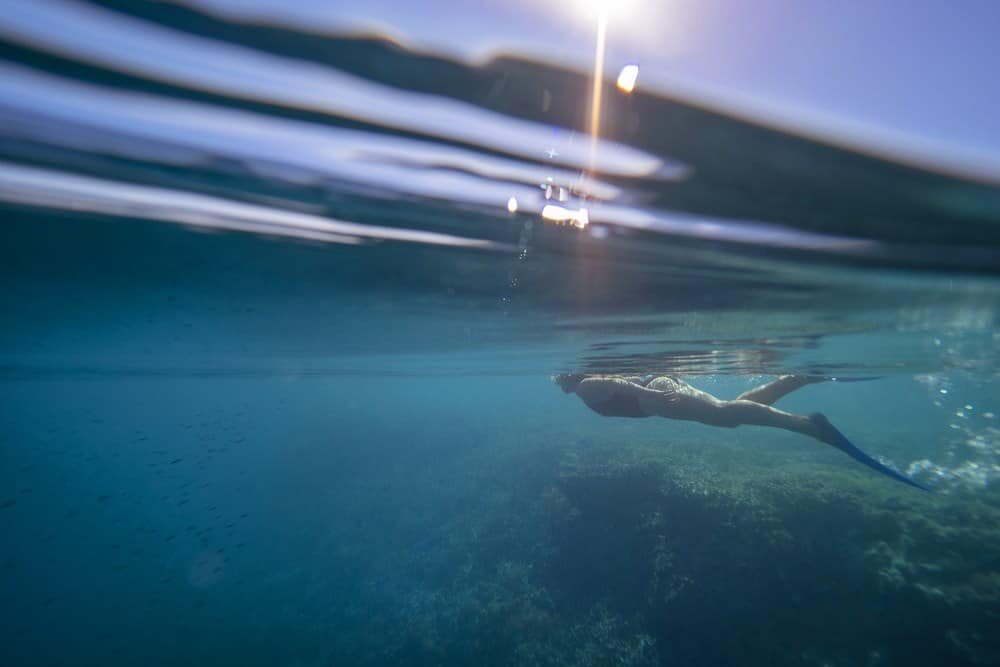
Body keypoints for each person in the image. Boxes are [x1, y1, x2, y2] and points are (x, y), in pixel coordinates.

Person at [553, 373, 927, 490]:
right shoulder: (583, 384)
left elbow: (618, 383)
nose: (558, 383)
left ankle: (809, 427)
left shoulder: (584, 386)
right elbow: (622, 381)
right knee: (730, 411)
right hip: (657, 392)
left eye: (558, 378)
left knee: (724, 414)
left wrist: (650, 394)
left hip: (654, 398)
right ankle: (798, 379)